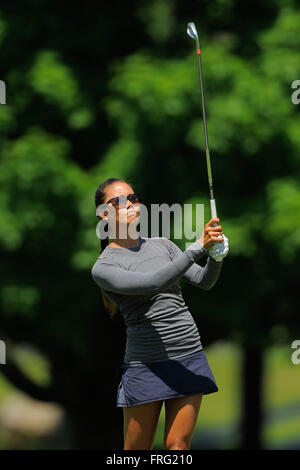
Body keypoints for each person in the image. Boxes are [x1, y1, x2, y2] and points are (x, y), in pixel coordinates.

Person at [91, 177, 229, 450]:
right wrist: (197, 247)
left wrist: (216, 256)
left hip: (187, 355)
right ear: (103, 214)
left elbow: (204, 281)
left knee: (177, 447)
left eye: (133, 198)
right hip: (145, 366)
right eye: (118, 201)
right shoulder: (104, 267)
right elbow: (153, 282)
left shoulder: (162, 244)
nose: (129, 204)